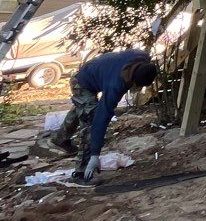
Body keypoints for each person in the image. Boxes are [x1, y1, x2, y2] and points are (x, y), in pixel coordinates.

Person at [49, 49, 159, 182]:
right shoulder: (116, 85)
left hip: (91, 71)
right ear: (133, 80)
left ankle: (61, 138)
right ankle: (82, 174)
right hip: (81, 82)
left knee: (83, 108)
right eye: (136, 85)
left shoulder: (141, 56)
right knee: (90, 119)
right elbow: (101, 119)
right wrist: (95, 155)